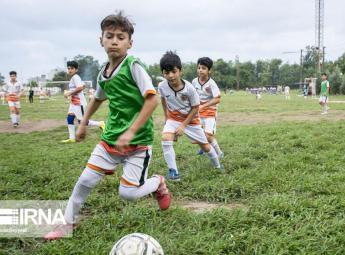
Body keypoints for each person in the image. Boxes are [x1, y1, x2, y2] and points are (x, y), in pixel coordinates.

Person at [44, 11, 171, 240]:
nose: (114, 41)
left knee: (128, 194)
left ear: (130, 43)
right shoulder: (104, 73)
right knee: (84, 182)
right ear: (101, 40)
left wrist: (131, 131)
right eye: (109, 36)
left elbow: (153, 99)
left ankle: (157, 182)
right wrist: (82, 124)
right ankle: (67, 225)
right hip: (110, 140)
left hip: (138, 144)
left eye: (121, 37)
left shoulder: (134, 66)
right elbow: (97, 99)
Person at [158, 51, 223, 181]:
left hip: (192, 120)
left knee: (205, 145)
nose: (170, 76)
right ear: (163, 73)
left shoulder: (189, 88)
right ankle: (174, 172)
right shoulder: (162, 86)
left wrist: (183, 125)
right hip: (173, 119)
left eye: (173, 72)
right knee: (165, 139)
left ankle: (218, 166)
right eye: (166, 72)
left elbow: (195, 108)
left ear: (180, 71)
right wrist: (167, 118)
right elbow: (163, 100)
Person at [61, 60, 105, 143]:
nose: (70, 70)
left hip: (79, 103)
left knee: (82, 122)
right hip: (74, 103)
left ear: (76, 69)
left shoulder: (75, 77)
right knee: (70, 118)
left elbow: (80, 88)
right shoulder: (74, 78)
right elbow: (83, 85)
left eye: (72, 68)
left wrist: (69, 93)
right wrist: (71, 92)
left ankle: (100, 124)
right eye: (68, 68)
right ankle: (72, 138)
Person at [192, 57, 224, 158]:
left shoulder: (211, 84)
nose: (200, 70)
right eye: (199, 67)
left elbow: (217, 99)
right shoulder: (194, 82)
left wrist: (204, 106)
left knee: (209, 136)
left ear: (209, 70)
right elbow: (193, 95)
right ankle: (203, 148)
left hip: (210, 112)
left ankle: (219, 153)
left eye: (204, 68)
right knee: (198, 134)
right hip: (198, 112)